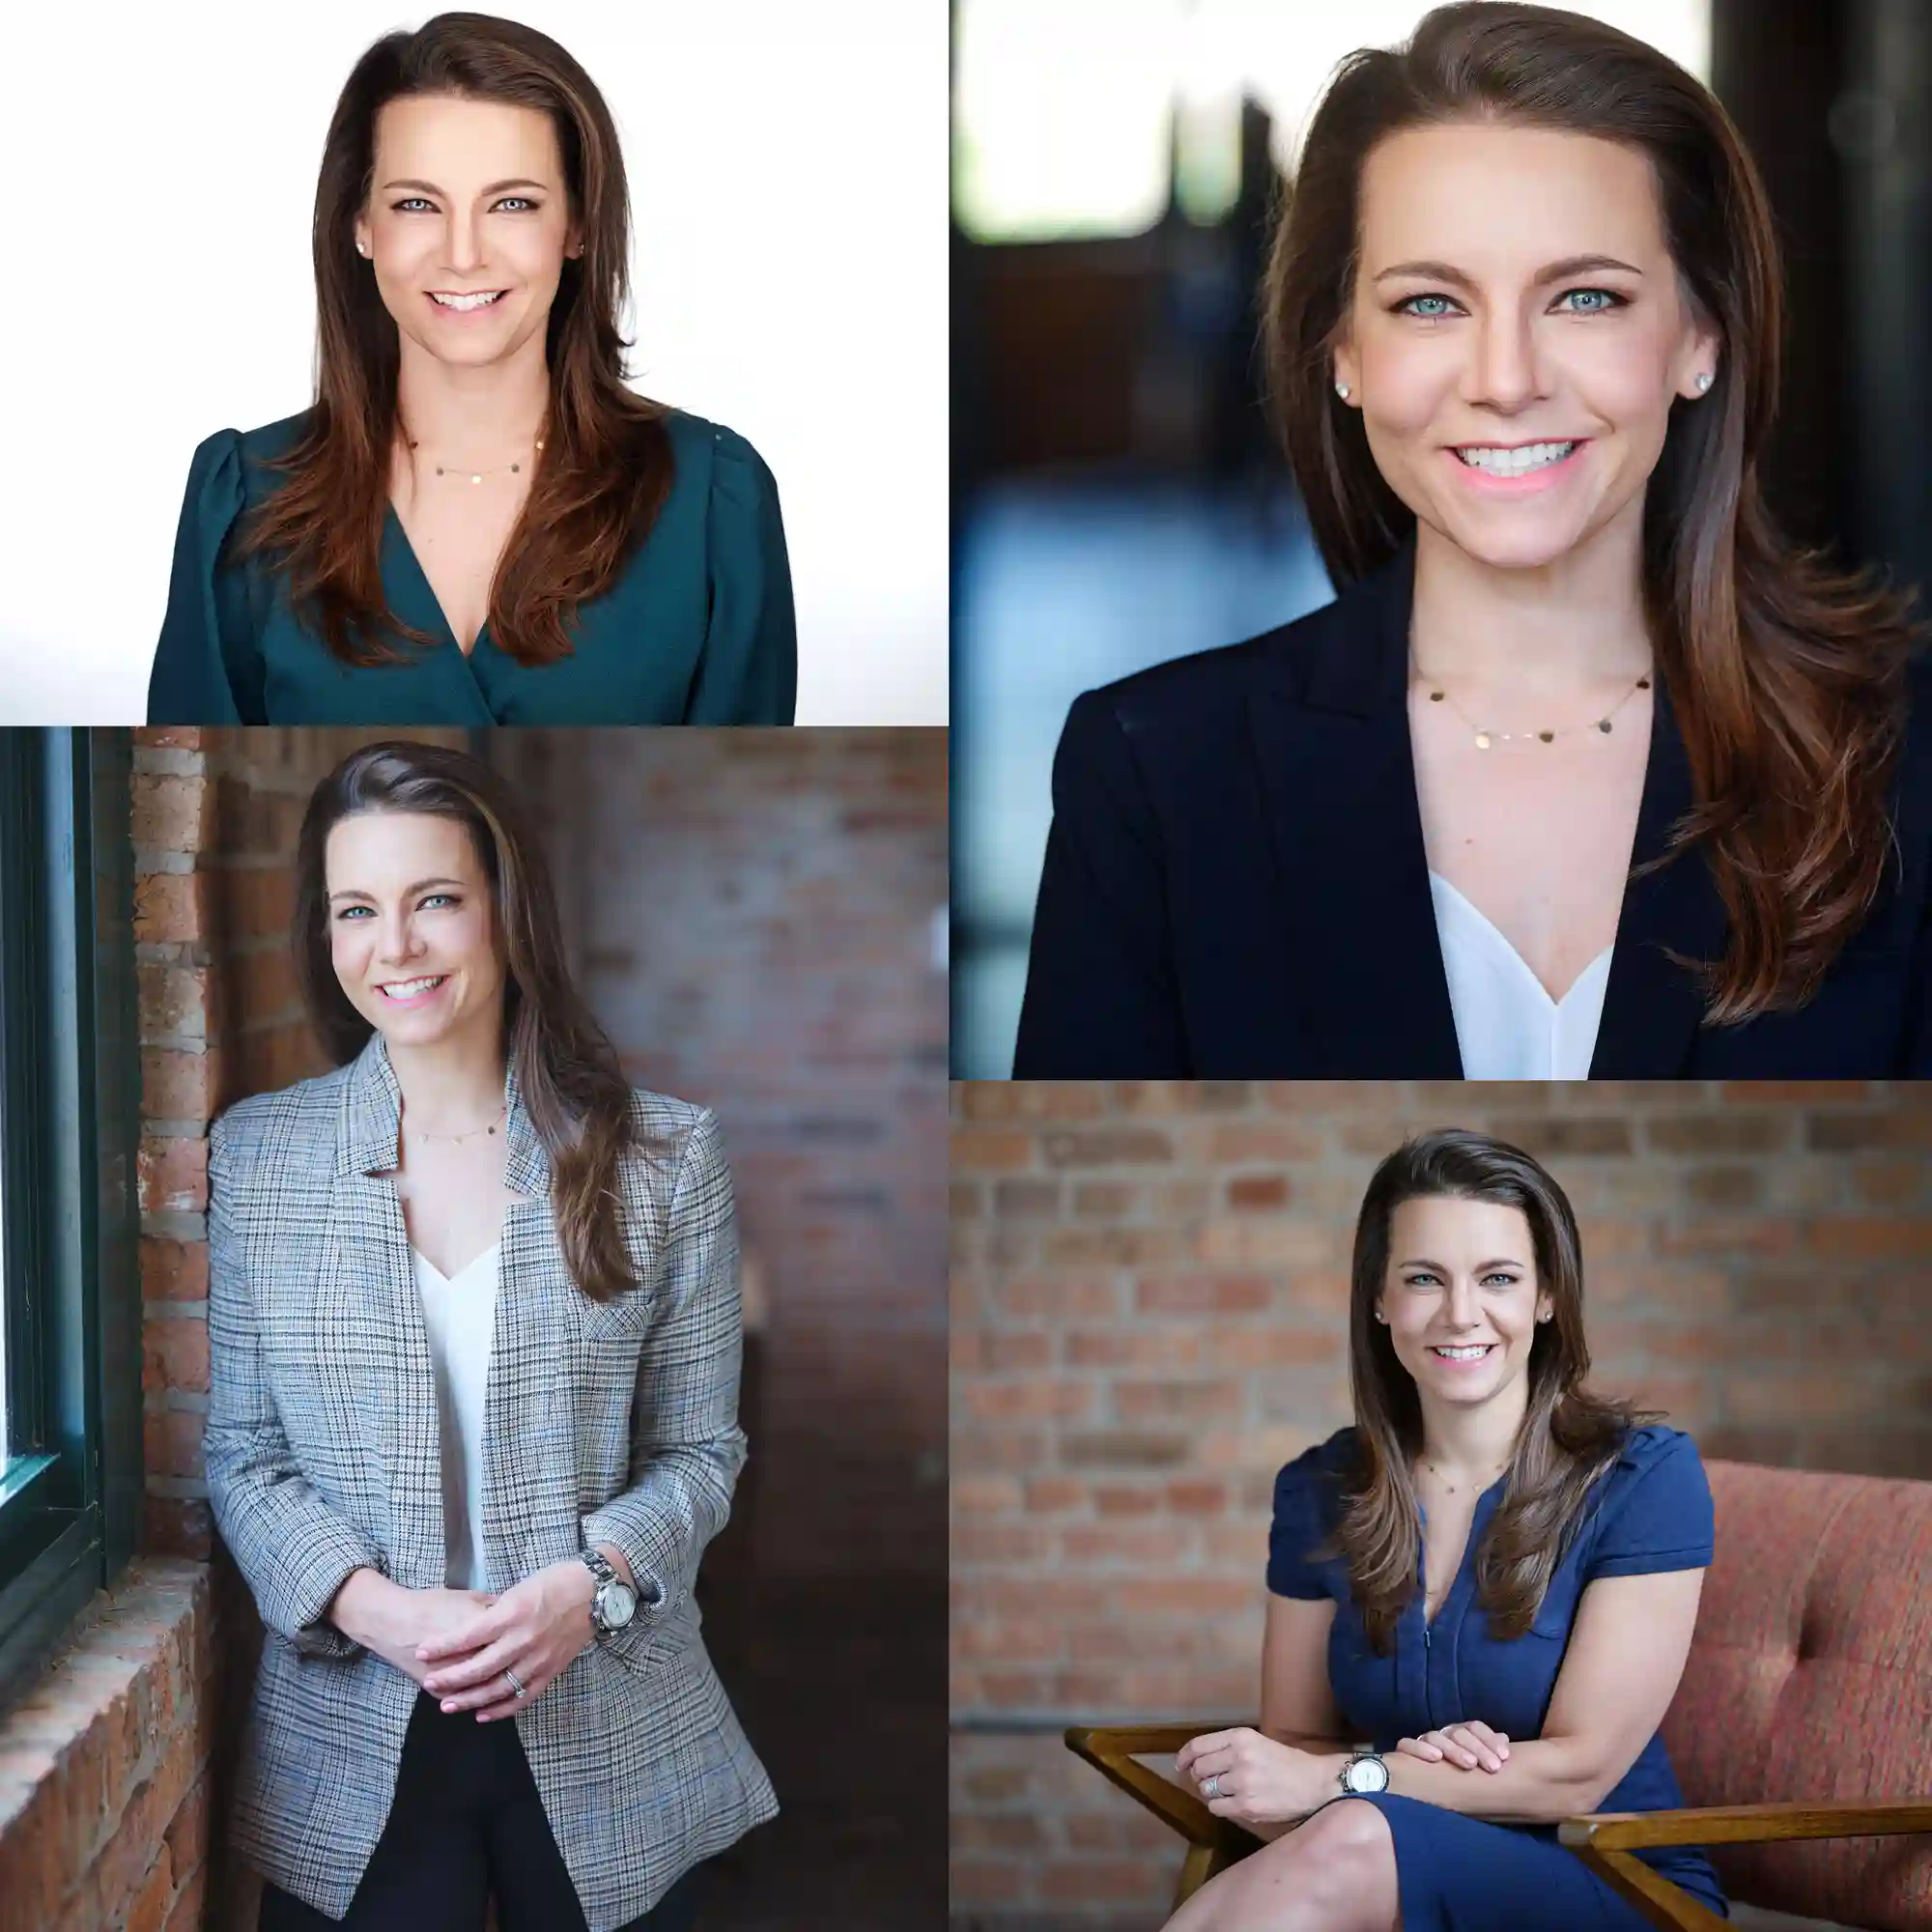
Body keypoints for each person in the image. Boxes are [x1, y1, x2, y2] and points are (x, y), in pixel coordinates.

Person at [1014, 0, 1931, 1079]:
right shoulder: (1151, 770)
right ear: (1341, 351)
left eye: (1584, 297)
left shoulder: (1897, 754)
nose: (1505, 380)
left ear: (1697, 337)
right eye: (1429, 304)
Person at [204, 741, 776, 1930]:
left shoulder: (666, 1157)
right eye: (355, 908)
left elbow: (701, 1453)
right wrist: (370, 1606)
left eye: (435, 900)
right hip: (351, 1723)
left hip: (608, 1717)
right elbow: (243, 1455)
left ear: (507, 912)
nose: (394, 946)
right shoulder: (260, 1157)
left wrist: (590, 1584)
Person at [148, 14, 795, 726]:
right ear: (361, 224)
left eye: (513, 203)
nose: (462, 254)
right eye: (417, 204)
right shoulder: (245, 500)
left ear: (578, 225)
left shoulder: (711, 502)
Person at [1164, 1128, 1724, 1931]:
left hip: (1612, 1877)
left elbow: (1575, 1776)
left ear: (1546, 1295)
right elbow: (1292, 1741)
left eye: (1497, 1277)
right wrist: (1294, 1776)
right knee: (1350, 1839)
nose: (1461, 1314)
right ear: (1380, 1299)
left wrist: (1359, 1777)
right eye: (1424, 1278)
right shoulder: (1321, 1489)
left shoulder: (1643, 1476)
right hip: (1382, 1859)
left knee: (1355, 1832)